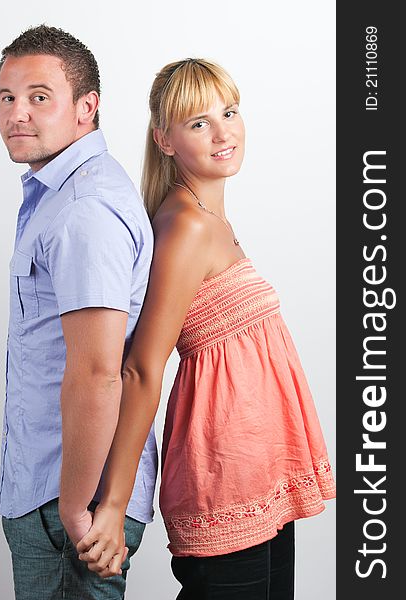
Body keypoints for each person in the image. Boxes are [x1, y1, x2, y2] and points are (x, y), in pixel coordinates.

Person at [76, 59, 336, 599]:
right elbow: (143, 367)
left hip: (262, 470)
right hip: (225, 476)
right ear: (164, 139)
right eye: (198, 122)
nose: (223, 132)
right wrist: (114, 506)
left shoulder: (210, 216)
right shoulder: (188, 226)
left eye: (230, 111)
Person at [0, 25, 157, 600]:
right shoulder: (59, 195)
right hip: (51, 494)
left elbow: (97, 373)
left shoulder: (84, 208)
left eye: (40, 97)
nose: (18, 113)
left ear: (87, 108)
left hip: (68, 503)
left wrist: (71, 505)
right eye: (7, 97)